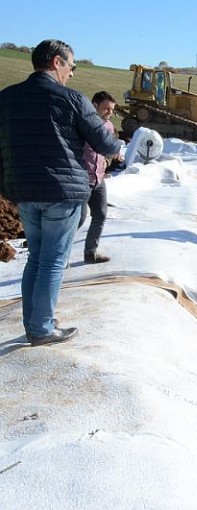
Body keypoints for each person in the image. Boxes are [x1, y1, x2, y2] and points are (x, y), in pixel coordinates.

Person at [0, 39, 124, 346]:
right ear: (57, 62)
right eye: (72, 66)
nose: (72, 73)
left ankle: (36, 321)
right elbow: (105, 144)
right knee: (53, 260)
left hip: (23, 191)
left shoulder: (6, 98)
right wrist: (118, 146)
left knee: (37, 259)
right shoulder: (71, 99)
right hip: (61, 192)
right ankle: (42, 328)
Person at [80, 91, 122, 264]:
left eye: (112, 110)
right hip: (82, 178)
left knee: (100, 214)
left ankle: (91, 252)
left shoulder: (109, 127)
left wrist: (110, 158)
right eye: (106, 109)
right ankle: (60, 256)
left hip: (98, 178)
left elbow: (108, 147)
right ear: (95, 105)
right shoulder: (82, 124)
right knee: (78, 219)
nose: (109, 113)